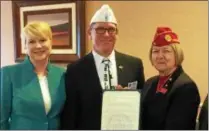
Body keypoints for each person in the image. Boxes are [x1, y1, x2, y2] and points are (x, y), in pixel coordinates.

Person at [60, 4, 145, 130]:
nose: (106, 35)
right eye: (100, 29)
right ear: (90, 33)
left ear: (117, 34)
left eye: (111, 30)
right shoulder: (75, 69)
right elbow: (70, 115)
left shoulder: (134, 65)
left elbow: (142, 105)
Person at [0, 21, 66, 130]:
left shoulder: (62, 74)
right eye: (31, 41)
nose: (38, 46)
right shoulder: (8, 74)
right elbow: (2, 120)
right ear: (25, 46)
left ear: (51, 42)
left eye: (42, 40)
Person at [141, 27, 200, 130]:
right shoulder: (149, 83)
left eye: (166, 51)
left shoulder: (186, 88)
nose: (160, 56)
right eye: (155, 51)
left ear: (177, 54)